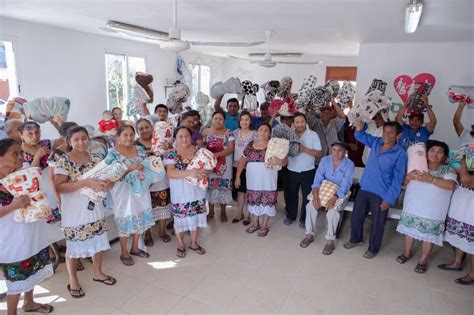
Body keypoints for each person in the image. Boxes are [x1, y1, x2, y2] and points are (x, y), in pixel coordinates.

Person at [54, 126, 116, 298]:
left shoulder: (96, 159)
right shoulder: (64, 161)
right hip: (74, 212)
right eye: (76, 139)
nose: (81, 142)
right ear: (69, 141)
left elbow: (107, 179)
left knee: (97, 240)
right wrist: (85, 183)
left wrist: (109, 184)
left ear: (89, 139)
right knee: (73, 247)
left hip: (94, 208)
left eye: (84, 138)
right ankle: (73, 280)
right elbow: (59, 187)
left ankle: (97, 272)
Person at [0, 138, 54, 315]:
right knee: (16, 280)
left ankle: (29, 302)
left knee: (32, 269)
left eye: (20, 153)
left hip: (32, 232)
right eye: (14, 153)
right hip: (11, 239)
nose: (19, 157)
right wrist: (13, 206)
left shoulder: (23, 174)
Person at [344, 121, 407, 258]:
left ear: (398, 135)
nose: (387, 135)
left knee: (378, 223)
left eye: (391, 132)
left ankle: (373, 248)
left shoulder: (400, 154)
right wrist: (360, 126)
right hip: (365, 187)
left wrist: (389, 199)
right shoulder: (377, 142)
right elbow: (360, 135)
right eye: (385, 131)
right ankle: (355, 239)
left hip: (381, 193)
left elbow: (397, 180)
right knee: (356, 217)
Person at [396, 140, 457, 273]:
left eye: (440, 152)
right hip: (413, 205)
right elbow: (404, 182)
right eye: (432, 151)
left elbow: (451, 185)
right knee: (409, 230)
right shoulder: (417, 165)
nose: (435, 154)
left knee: (429, 235)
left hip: (433, 210)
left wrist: (432, 179)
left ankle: (423, 260)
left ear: (445, 156)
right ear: (427, 152)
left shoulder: (447, 170)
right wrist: (408, 176)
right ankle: (407, 252)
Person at [106, 124, 155, 266]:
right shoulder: (112, 153)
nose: (129, 138)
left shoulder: (139, 149)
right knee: (125, 218)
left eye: (131, 135)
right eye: (125, 135)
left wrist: (149, 178)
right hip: (123, 191)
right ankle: (124, 252)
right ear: (118, 137)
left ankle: (135, 248)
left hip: (140, 189)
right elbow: (110, 175)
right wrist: (129, 168)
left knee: (140, 214)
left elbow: (146, 167)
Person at [300, 141, 354, 254]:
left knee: (332, 211)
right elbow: (317, 179)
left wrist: (334, 198)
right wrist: (315, 196)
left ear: (345, 152)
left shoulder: (349, 164)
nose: (336, 153)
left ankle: (330, 240)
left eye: (339, 150)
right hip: (324, 188)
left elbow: (345, 185)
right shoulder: (325, 160)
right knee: (310, 206)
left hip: (340, 191)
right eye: (334, 149)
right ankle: (309, 234)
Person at [162, 126, 209, 258]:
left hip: (197, 191)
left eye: (187, 136)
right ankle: (181, 244)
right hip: (180, 192)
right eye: (180, 136)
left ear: (191, 137)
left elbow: (208, 168)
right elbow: (171, 173)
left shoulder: (199, 151)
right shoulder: (171, 153)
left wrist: (206, 172)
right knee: (180, 219)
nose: (184, 139)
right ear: (175, 138)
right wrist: (190, 173)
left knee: (195, 217)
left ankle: (194, 243)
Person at [235, 123, 281, 237]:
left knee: (267, 201)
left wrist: (279, 161)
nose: (263, 132)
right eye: (261, 130)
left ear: (269, 133)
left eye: (266, 130)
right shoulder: (251, 144)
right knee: (254, 200)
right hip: (253, 179)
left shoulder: (273, 145)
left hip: (268, 178)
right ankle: (255, 223)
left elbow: (284, 161)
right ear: (257, 132)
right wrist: (237, 176)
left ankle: (264, 225)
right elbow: (242, 160)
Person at [134, 119, 172, 246]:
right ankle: (148, 233)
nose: (145, 130)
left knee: (163, 205)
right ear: (137, 131)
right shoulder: (134, 144)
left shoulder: (162, 140)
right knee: (147, 207)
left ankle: (161, 231)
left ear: (152, 128)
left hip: (161, 180)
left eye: (147, 127)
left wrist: (168, 148)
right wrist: (146, 153)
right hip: (144, 181)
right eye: (141, 128)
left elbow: (171, 155)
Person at [438, 158, 474, 285]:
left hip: (471, 207)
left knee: (471, 240)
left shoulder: (467, 160)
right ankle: (457, 262)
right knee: (460, 233)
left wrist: (463, 161)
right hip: (463, 202)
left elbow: (466, 180)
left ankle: (473, 274)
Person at [284, 112, 322, 228]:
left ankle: (304, 219)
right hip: (291, 170)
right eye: (297, 122)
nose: (300, 124)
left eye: (302, 122)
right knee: (290, 194)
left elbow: (319, 153)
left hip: (308, 171)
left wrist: (304, 149)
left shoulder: (313, 135)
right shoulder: (288, 135)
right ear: (293, 123)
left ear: (306, 122)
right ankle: (290, 216)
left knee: (307, 196)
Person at [202, 111, 235, 222]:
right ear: (212, 120)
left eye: (220, 119)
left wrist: (216, 155)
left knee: (223, 187)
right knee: (211, 187)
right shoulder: (206, 133)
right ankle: (211, 211)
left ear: (224, 121)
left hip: (225, 165)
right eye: (215, 118)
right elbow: (203, 148)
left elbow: (230, 149)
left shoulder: (229, 133)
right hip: (210, 165)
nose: (217, 121)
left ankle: (223, 211)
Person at [232, 111, 257, 225]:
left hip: (249, 167)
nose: (244, 122)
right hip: (236, 166)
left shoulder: (255, 134)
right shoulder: (235, 133)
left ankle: (247, 215)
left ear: (250, 121)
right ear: (239, 121)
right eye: (242, 119)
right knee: (240, 192)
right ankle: (239, 213)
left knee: (247, 191)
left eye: (247, 119)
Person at [308, 98, 346, 166]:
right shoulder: (314, 122)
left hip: (333, 159)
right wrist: (316, 101)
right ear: (320, 113)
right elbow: (309, 116)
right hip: (317, 161)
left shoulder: (334, 123)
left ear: (332, 114)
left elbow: (343, 116)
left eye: (328, 112)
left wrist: (333, 101)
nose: (325, 113)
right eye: (323, 112)